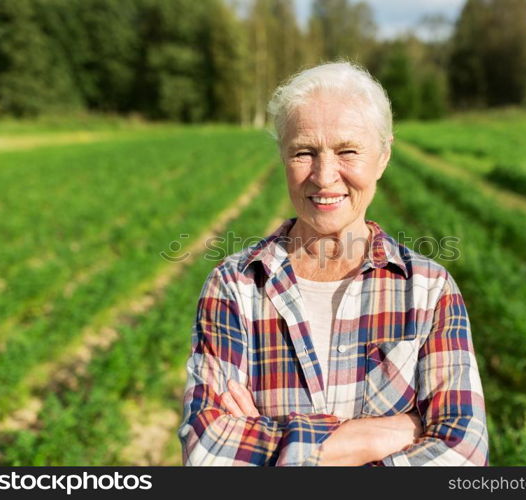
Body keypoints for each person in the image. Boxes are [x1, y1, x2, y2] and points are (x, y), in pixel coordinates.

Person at [178, 61, 488, 466]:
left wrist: (272, 447)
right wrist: (370, 439)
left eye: (347, 151)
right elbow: (206, 453)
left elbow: (464, 451)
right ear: (282, 156)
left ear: (383, 157)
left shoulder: (429, 289)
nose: (324, 177)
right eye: (304, 152)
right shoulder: (235, 286)